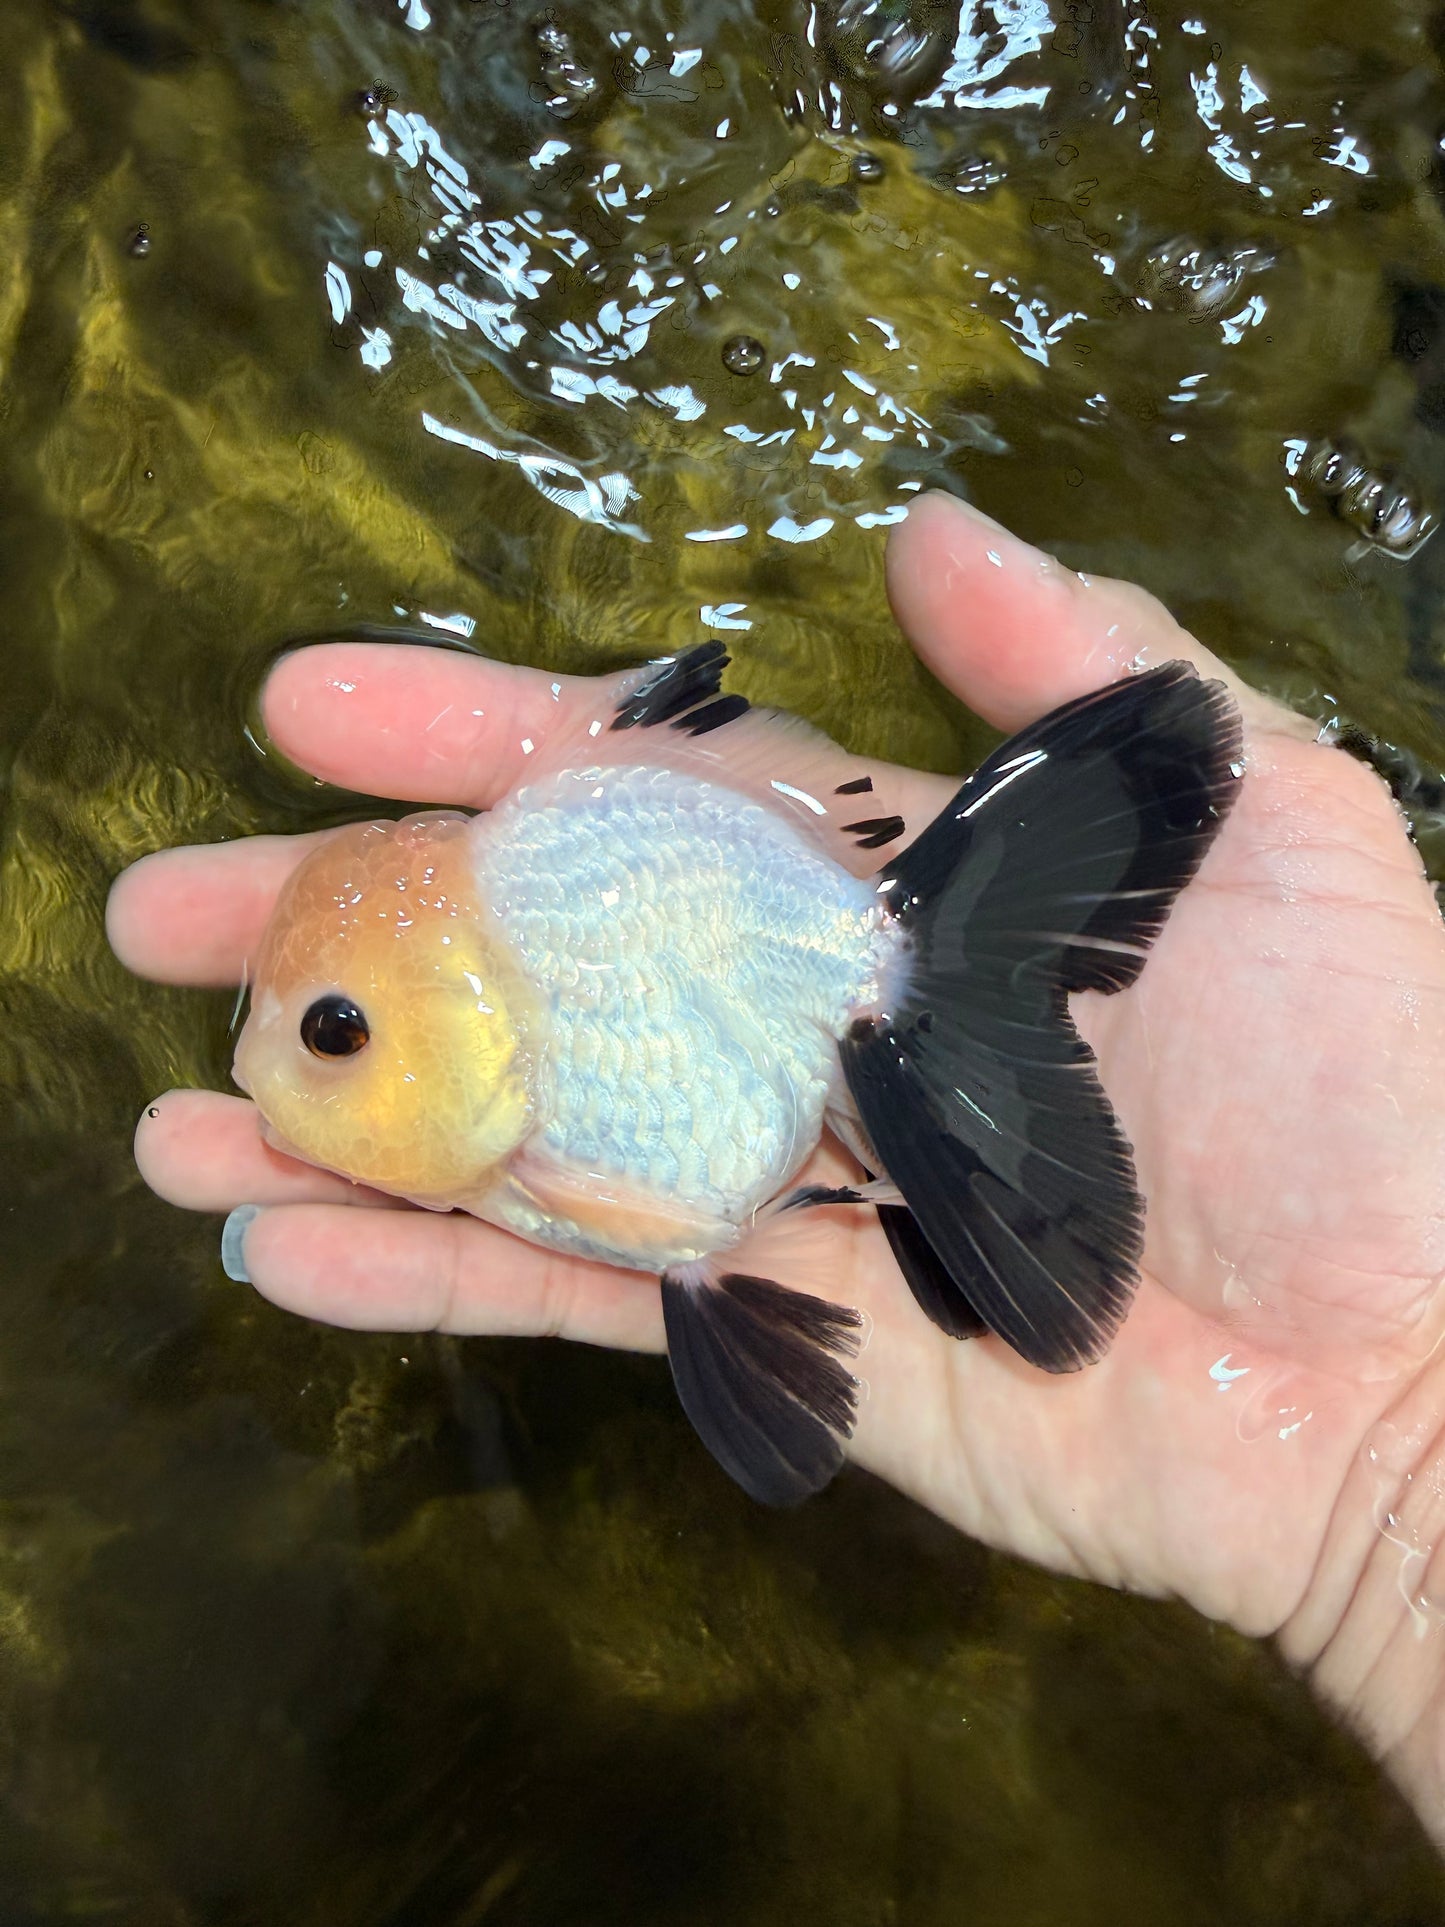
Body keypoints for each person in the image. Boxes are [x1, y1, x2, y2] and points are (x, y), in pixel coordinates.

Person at [107, 492, 1445, 1844]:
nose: (274, 1074)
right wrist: (1383, 1482)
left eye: (336, 1035)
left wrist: (1400, 1447)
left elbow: (657, 1213)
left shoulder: (582, 969)